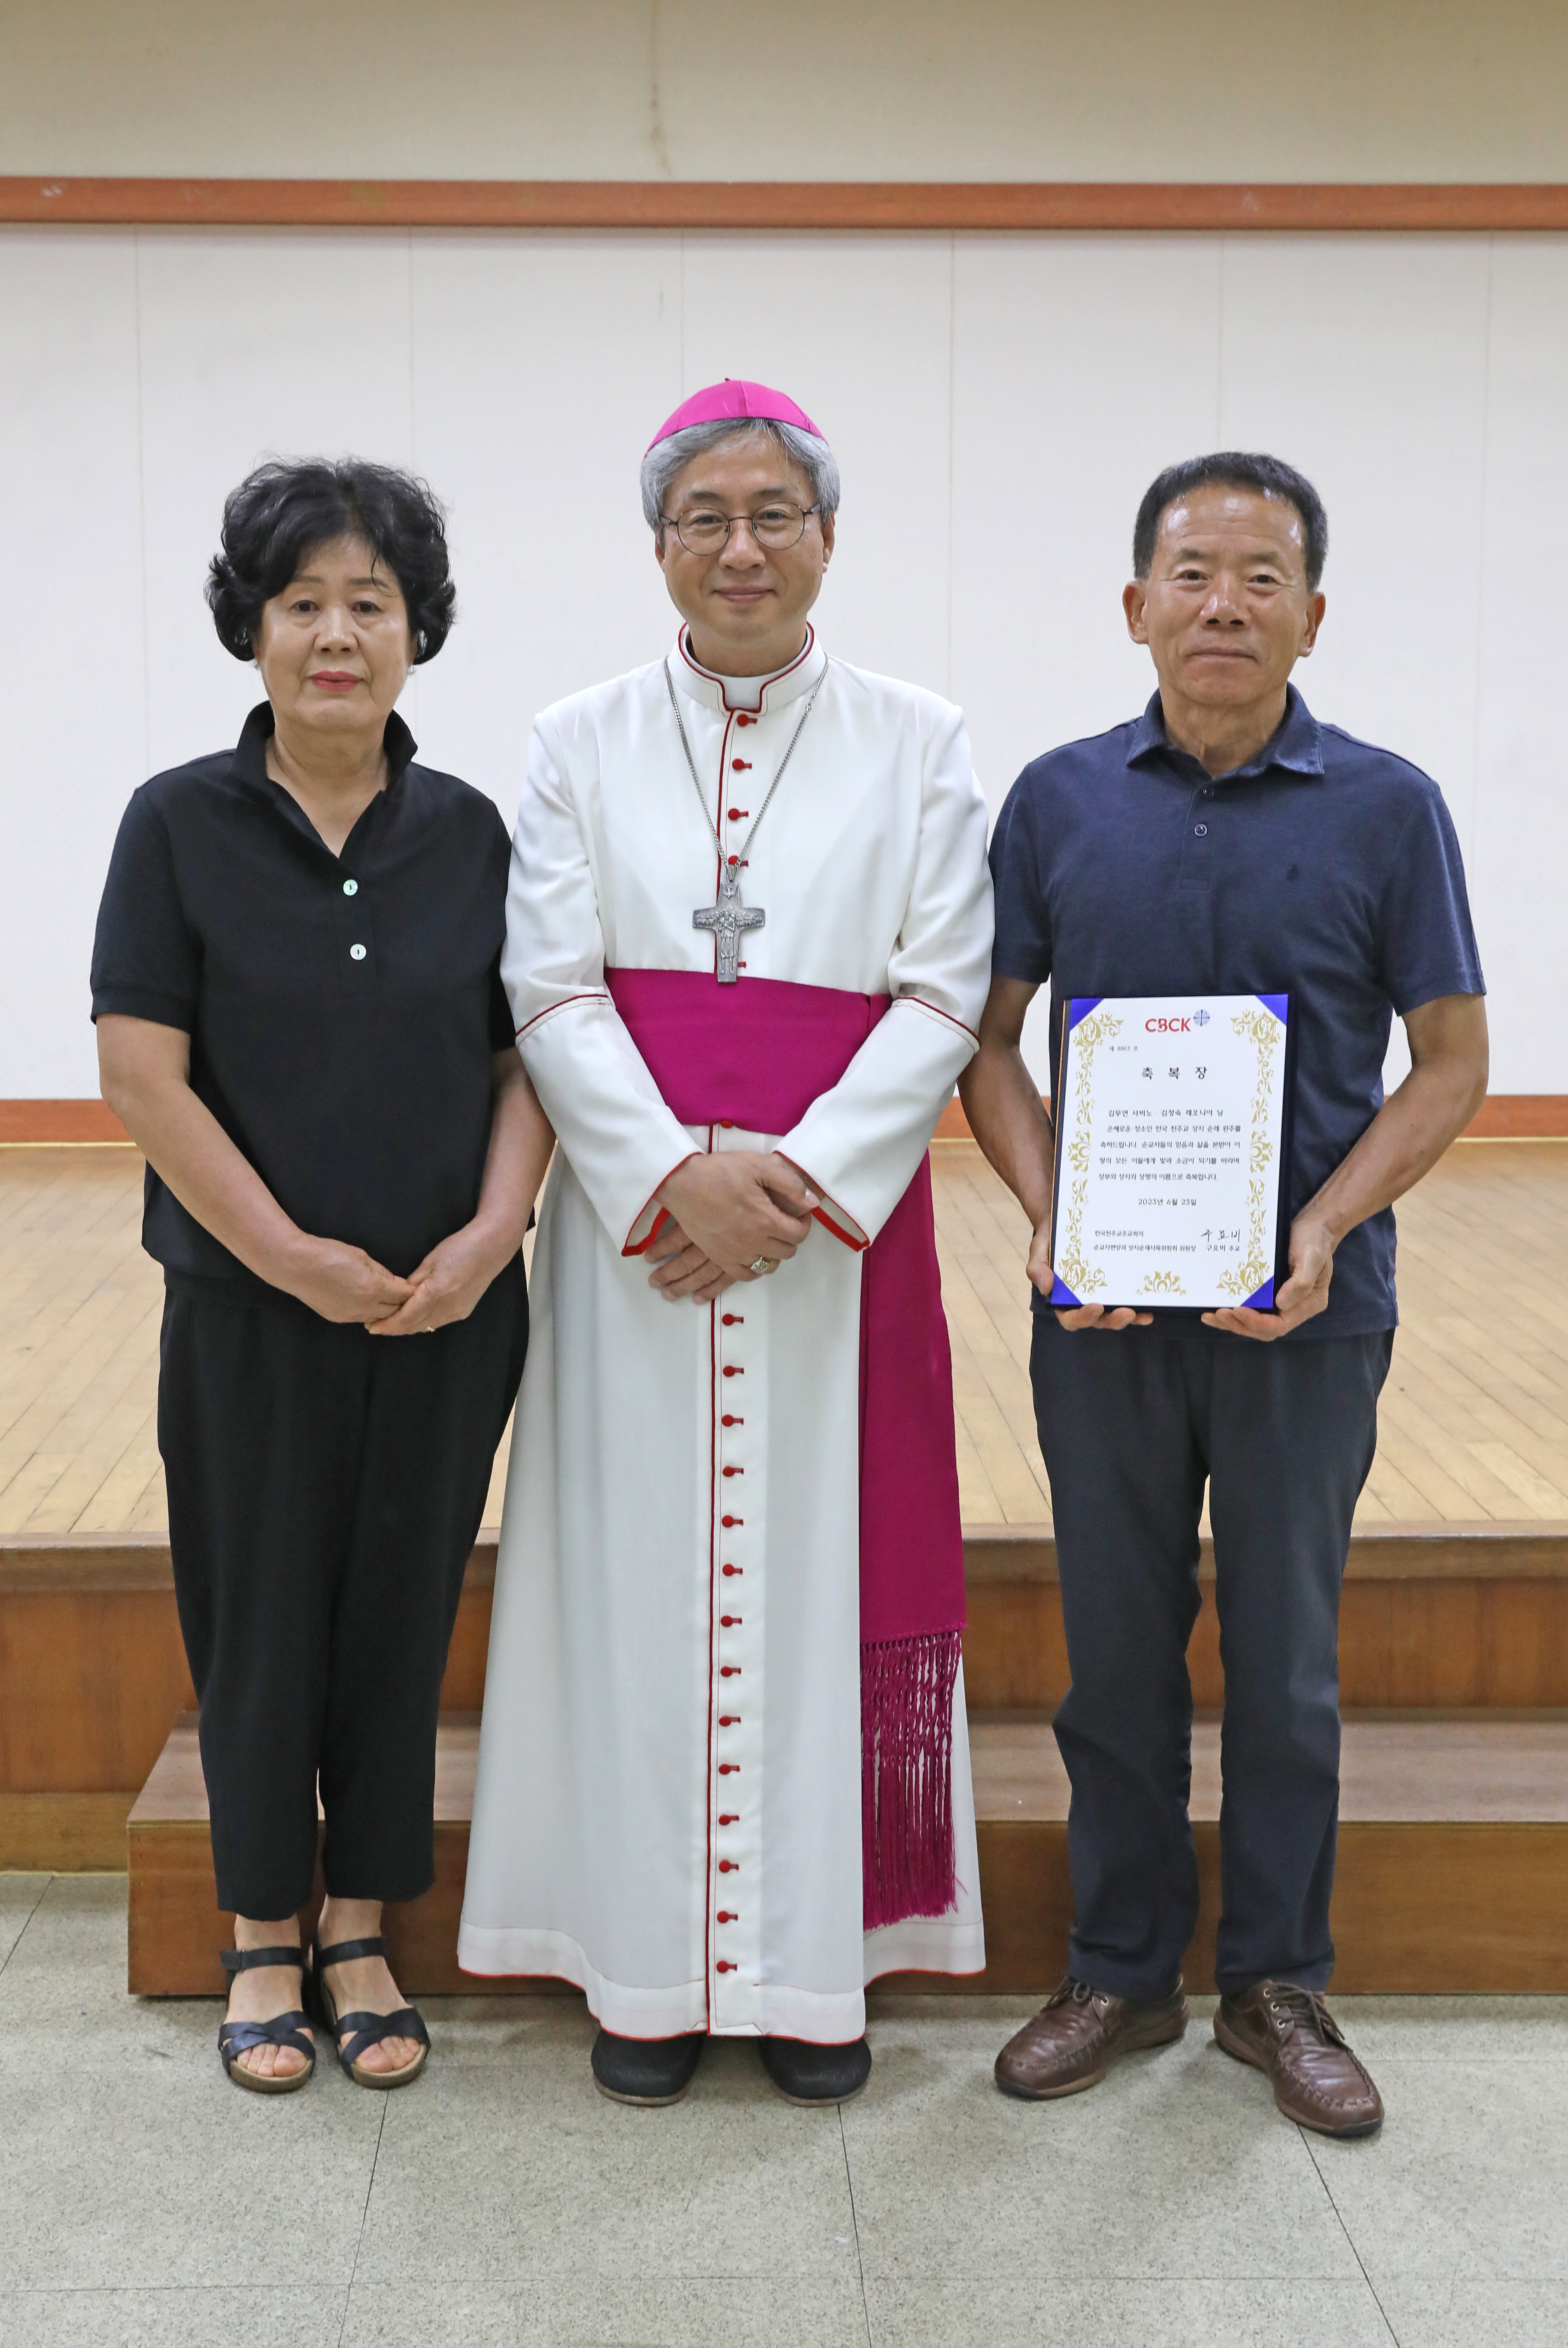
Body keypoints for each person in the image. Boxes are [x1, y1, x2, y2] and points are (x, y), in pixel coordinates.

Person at [458, 379, 994, 2106]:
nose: (742, 546)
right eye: (707, 515)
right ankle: (645, 1972)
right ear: (660, 545)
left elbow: (942, 992)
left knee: (824, 1582)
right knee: (634, 1588)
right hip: (641, 1251)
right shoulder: (576, 738)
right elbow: (545, 979)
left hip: (831, 1251)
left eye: (775, 512)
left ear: (827, 534)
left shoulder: (920, 738)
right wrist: (666, 1176)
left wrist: (797, 1181)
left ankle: (808, 1978)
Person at [960, 452, 1488, 2137]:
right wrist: (1050, 1221)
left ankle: (1274, 1982)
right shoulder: (1053, 801)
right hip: (1102, 1318)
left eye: (1262, 577)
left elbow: (1453, 1063)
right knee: (1112, 1651)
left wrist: (1326, 1224)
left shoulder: (1388, 807)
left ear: (1311, 613)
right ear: (1134, 605)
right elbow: (983, 1044)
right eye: (1193, 572)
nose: (1224, 605)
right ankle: (1116, 1966)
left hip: (1305, 1317)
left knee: (1285, 1660)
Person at [92, 459, 553, 2095]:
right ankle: (260, 1930)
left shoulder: (476, 832)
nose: (338, 635)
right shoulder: (177, 823)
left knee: (400, 1608)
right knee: (259, 1609)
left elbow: (526, 1063)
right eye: (305, 605)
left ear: (418, 629)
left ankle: (361, 1921)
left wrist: (494, 1236)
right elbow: (143, 1074)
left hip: (447, 1307)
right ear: (254, 629)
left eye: (372, 603)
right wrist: (283, 1255)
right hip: (246, 1305)